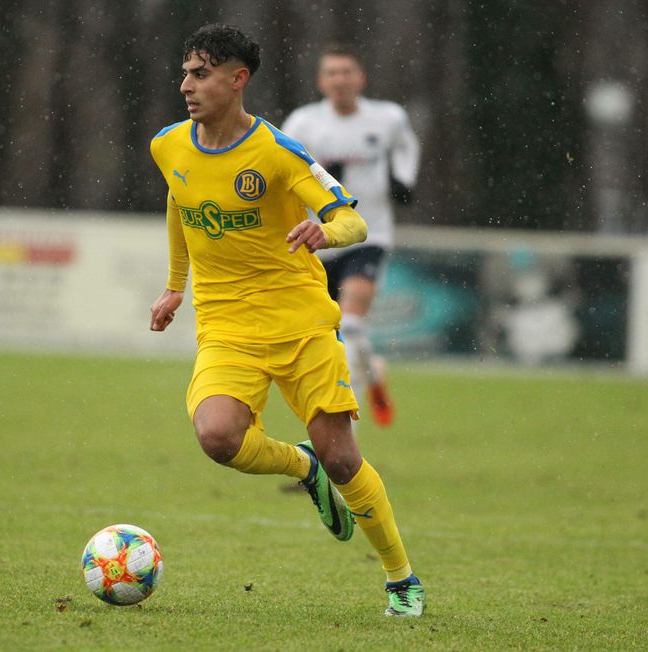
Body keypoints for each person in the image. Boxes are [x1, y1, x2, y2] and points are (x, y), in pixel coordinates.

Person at [149, 24, 424, 617]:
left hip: (300, 325)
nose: (186, 86)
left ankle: (401, 578)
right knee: (217, 437)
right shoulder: (168, 144)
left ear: (236, 79)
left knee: (345, 460)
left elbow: (354, 222)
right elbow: (179, 203)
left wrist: (325, 229)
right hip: (226, 328)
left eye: (200, 74)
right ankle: (302, 466)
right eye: (185, 73)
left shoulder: (278, 152)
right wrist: (176, 286)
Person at [281, 44, 421, 427]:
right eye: (332, 73)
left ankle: (346, 451)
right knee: (323, 340)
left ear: (361, 78)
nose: (340, 80)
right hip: (318, 240)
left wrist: (403, 180)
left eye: (347, 72)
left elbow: (408, 146)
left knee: (352, 325)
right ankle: (372, 370)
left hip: (368, 236)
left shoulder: (388, 118)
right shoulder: (303, 124)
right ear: (321, 81)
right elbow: (281, 167)